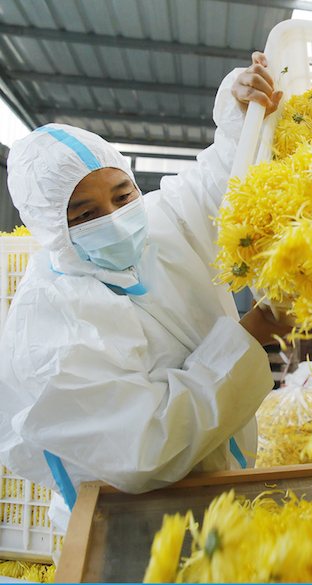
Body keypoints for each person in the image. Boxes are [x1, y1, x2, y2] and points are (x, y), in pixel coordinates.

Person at [0, 52, 292, 530]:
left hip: (221, 492)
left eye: (121, 195)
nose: (115, 218)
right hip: (127, 527)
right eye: (85, 214)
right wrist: (251, 332)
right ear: (51, 228)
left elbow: (224, 181)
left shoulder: (158, 224)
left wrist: (245, 110)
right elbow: (144, 446)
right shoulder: (51, 323)